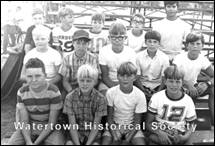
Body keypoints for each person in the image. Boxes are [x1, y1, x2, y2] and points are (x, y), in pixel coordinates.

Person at [7, 58, 65, 145]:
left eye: (38, 76)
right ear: (25, 77)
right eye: (29, 76)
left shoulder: (53, 91)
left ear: (45, 75)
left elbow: (52, 122)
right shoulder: (22, 92)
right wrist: (28, 141)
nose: (34, 80)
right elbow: (24, 121)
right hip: (30, 125)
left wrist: (36, 143)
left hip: (51, 127)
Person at [146, 65, 197, 145]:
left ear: (182, 82)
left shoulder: (188, 100)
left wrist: (184, 137)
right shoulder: (157, 97)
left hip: (180, 132)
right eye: (171, 81)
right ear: (165, 81)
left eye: (177, 81)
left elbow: (192, 124)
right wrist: (160, 132)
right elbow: (148, 123)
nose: (174, 85)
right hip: (160, 130)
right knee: (153, 139)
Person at [173, 31, 214, 125]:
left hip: (194, 87)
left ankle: (213, 120)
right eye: (192, 43)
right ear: (187, 45)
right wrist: (187, 84)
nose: (195, 46)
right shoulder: (179, 58)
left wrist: (207, 84)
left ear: (202, 46)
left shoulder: (202, 59)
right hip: (178, 86)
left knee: (213, 88)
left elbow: (213, 75)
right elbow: (174, 76)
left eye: (198, 44)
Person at [102, 62, 146, 145]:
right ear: (118, 76)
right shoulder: (111, 92)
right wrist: (114, 136)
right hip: (115, 125)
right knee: (106, 142)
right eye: (122, 75)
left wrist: (127, 140)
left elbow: (137, 122)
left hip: (131, 126)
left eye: (129, 76)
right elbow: (110, 118)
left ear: (134, 77)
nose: (125, 79)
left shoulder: (140, 95)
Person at [63, 64, 107, 145]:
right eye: (82, 80)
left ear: (94, 82)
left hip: (93, 133)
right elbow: (72, 125)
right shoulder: (70, 97)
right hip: (76, 132)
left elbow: (96, 125)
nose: (85, 84)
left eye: (88, 81)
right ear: (78, 80)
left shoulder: (100, 99)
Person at [99, 22, 136, 95]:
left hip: (126, 81)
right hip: (108, 82)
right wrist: (114, 88)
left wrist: (122, 87)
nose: (117, 40)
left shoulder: (131, 52)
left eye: (120, 37)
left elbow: (131, 75)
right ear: (109, 38)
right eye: (113, 37)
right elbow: (105, 76)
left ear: (125, 38)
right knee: (104, 94)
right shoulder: (103, 51)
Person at [59, 29, 100, 94]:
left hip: (89, 86)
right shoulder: (67, 59)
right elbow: (65, 81)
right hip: (72, 87)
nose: (81, 46)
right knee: (63, 97)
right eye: (78, 43)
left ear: (88, 44)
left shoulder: (93, 58)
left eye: (84, 44)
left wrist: (85, 90)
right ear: (73, 43)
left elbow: (95, 80)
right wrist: (72, 92)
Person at [135, 30, 169, 101]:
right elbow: (137, 77)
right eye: (149, 41)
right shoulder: (138, 56)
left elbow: (164, 78)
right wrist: (143, 91)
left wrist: (158, 92)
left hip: (158, 86)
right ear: (145, 42)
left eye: (155, 42)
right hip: (142, 85)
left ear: (159, 44)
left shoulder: (164, 58)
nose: (152, 44)